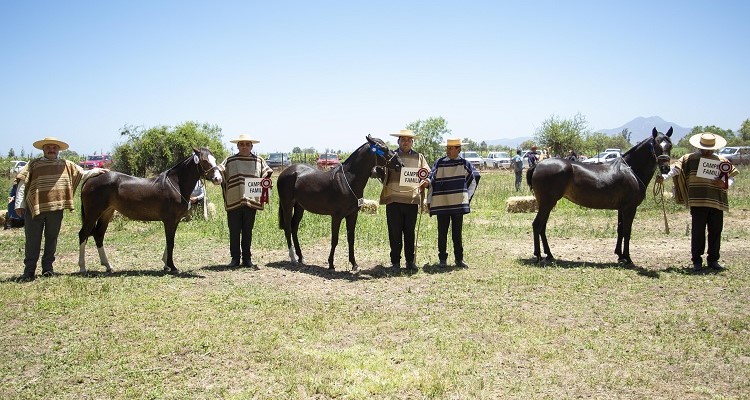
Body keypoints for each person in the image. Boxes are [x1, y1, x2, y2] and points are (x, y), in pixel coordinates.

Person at [14, 137, 107, 280]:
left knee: (52, 239)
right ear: (43, 149)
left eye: (54, 147)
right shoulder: (33, 164)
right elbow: (22, 183)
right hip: (35, 208)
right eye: (48, 147)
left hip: (55, 208)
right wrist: (19, 204)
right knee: (32, 240)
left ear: (58, 150)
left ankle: (47, 269)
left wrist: (97, 171)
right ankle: (29, 271)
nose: (51, 150)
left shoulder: (66, 165)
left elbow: (82, 173)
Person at [656, 132, 739, 271]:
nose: (706, 150)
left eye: (709, 148)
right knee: (698, 232)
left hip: (716, 201)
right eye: (704, 147)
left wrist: (725, 184)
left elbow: (730, 178)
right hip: (698, 202)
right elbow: (676, 170)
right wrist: (664, 177)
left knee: (716, 231)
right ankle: (697, 261)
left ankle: (713, 260)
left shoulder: (722, 161)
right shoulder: (689, 159)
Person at [377, 129, 430, 271]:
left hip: (411, 200)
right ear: (398, 141)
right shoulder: (391, 156)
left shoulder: (419, 157)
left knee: (409, 232)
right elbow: (379, 170)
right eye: (403, 140)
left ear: (412, 142)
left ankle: (410, 261)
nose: (406, 142)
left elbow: (426, 174)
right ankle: (395, 262)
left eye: (409, 140)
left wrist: (426, 182)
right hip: (393, 200)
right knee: (394, 233)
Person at [218, 134, 272, 268]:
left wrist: (265, 182)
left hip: (251, 201)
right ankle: (235, 258)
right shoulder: (230, 160)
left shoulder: (259, 160)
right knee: (234, 231)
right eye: (241, 144)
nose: (244, 147)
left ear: (252, 146)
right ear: (237, 146)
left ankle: (247, 259)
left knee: (248, 231)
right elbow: (219, 172)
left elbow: (267, 173)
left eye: (247, 144)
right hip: (234, 199)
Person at [427, 138, 481, 268]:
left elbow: (474, 179)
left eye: (451, 148)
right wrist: (429, 200)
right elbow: (431, 181)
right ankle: (442, 259)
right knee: (442, 232)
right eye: (448, 148)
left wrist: (466, 198)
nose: (448, 150)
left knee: (457, 233)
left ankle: (459, 259)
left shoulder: (464, 164)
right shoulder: (439, 163)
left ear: (458, 149)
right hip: (442, 202)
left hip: (457, 204)